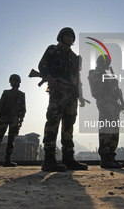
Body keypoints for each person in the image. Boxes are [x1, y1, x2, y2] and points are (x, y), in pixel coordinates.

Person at [38, 27, 88, 172]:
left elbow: (78, 78)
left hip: (72, 94)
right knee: (53, 121)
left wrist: (81, 95)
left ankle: (68, 158)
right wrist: (49, 78)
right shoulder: (53, 49)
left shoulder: (75, 57)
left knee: (69, 125)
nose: (69, 37)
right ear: (60, 36)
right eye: (66, 35)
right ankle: (49, 159)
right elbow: (42, 65)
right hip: (59, 90)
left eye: (72, 36)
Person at [88, 55, 124, 168]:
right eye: (106, 62)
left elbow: (113, 91)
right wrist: (111, 81)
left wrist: (119, 99)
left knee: (114, 131)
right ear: (100, 62)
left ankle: (111, 156)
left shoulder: (107, 75)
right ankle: (105, 157)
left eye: (108, 62)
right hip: (105, 104)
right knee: (106, 129)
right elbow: (98, 88)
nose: (108, 64)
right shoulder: (94, 73)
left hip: (114, 105)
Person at [0, 74, 26, 167]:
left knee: (11, 140)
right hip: (4, 118)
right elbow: (0, 106)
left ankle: (8, 160)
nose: (12, 82)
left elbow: (23, 109)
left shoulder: (21, 95)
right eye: (11, 81)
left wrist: (21, 120)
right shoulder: (6, 93)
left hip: (15, 119)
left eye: (14, 81)